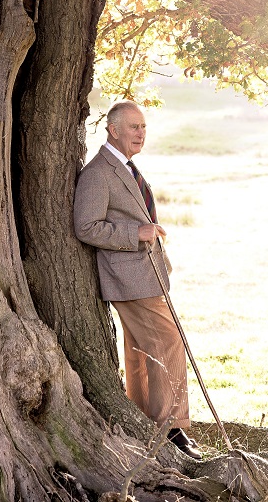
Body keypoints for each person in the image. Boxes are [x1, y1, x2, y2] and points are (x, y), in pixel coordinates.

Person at [73, 100, 202, 460]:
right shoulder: (99, 172)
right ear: (113, 129)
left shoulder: (126, 168)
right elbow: (86, 226)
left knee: (142, 351)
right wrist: (137, 232)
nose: (141, 134)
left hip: (146, 275)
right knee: (168, 342)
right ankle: (171, 430)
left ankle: (147, 421)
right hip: (128, 278)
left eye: (143, 127)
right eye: (133, 127)